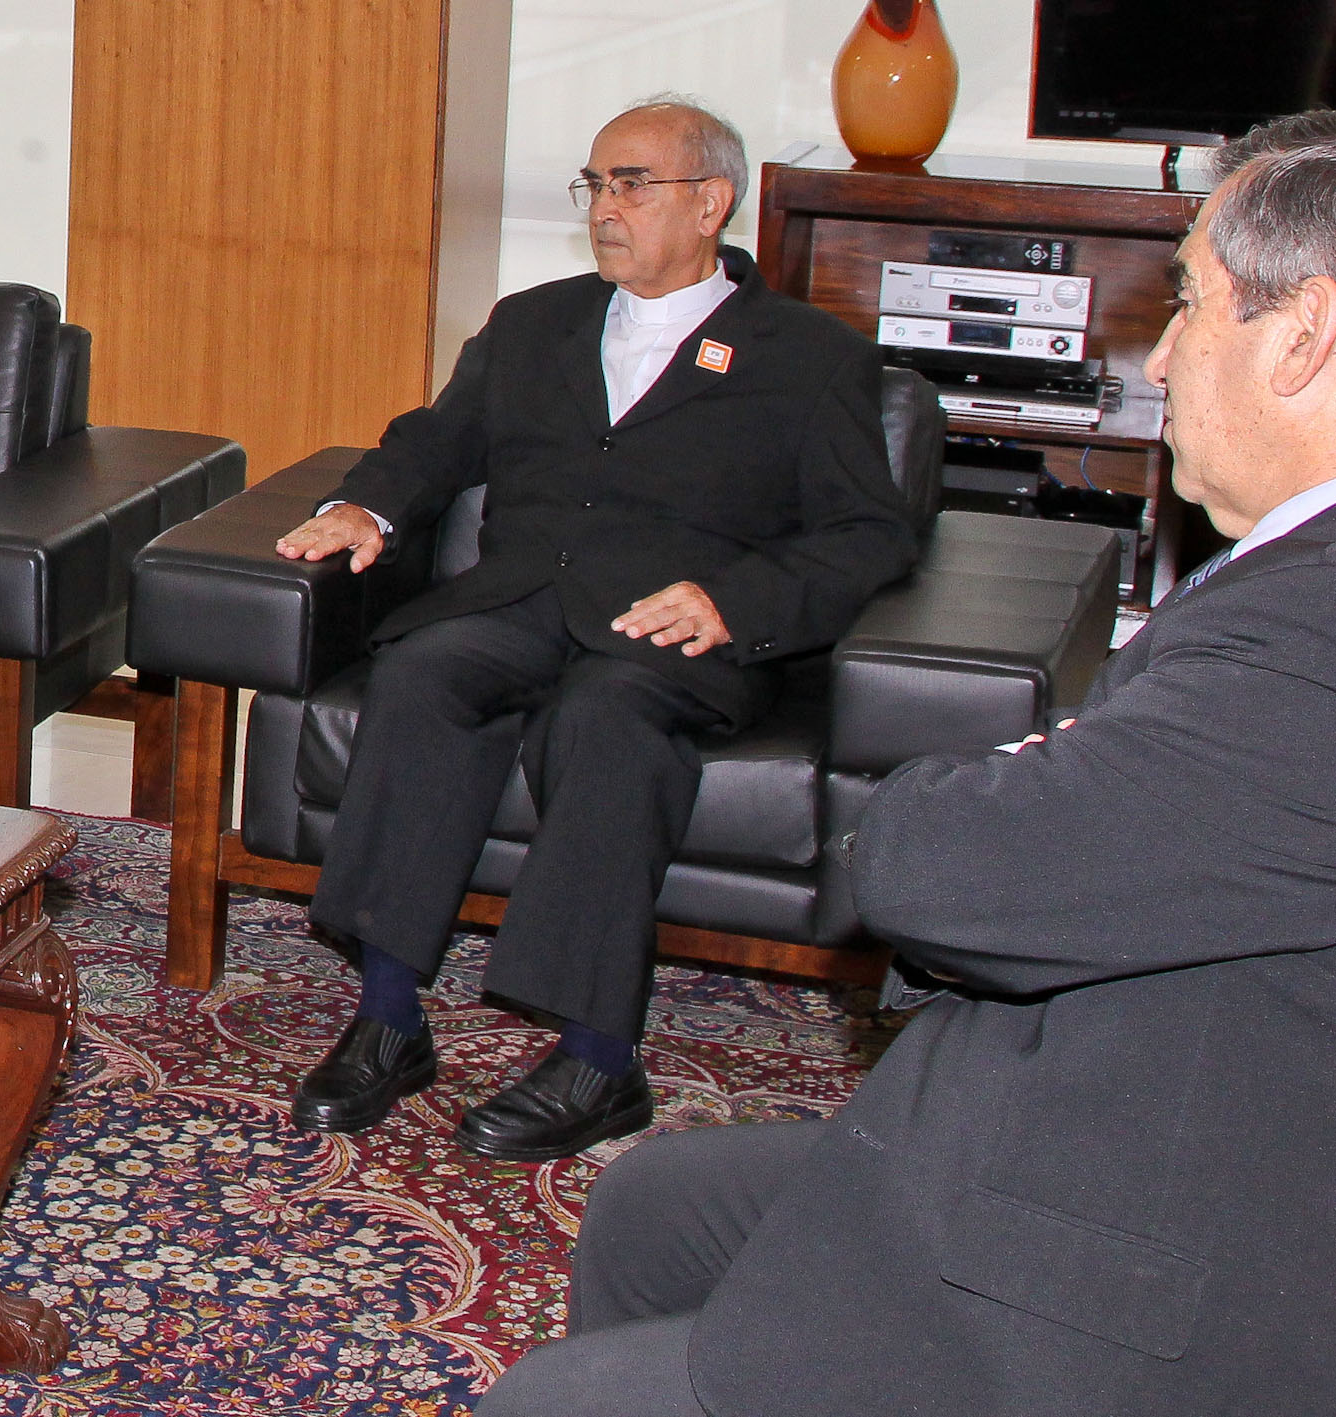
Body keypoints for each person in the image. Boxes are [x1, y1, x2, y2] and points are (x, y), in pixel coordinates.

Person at [481, 141, 1336, 1415]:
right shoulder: (1286, 585)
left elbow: (929, 862)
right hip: (1108, 1091)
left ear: (1300, 337)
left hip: (1150, 1239)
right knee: (654, 1203)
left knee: (543, 1402)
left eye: (1189, 303)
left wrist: (1017, 780)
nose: (1155, 359)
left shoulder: (1305, 645)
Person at [276, 95, 918, 1161]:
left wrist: (735, 603)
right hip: (520, 600)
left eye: (632, 184)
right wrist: (368, 506)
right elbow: (435, 441)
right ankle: (388, 1020)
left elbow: (865, 535)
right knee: (422, 675)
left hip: (671, 630)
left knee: (607, 718)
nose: (604, 208)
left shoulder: (806, 357)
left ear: (710, 202)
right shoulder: (535, 322)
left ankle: (597, 1059)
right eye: (595, 184)